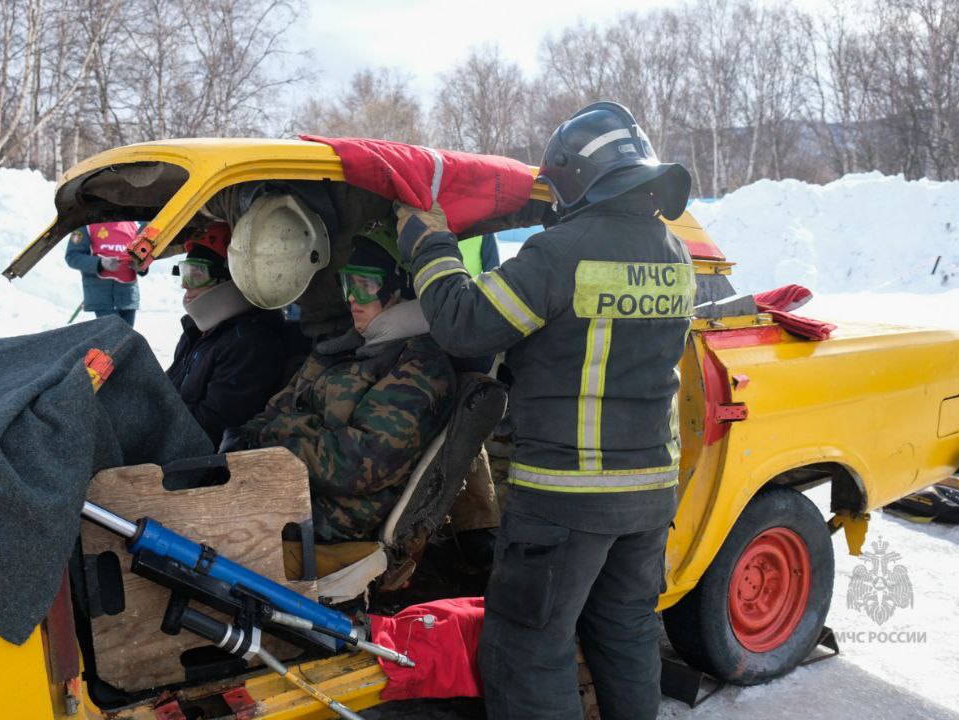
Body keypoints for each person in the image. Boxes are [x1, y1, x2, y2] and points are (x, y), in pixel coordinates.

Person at [395, 100, 694, 720]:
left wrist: (431, 245)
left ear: (576, 178)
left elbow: (464, 323)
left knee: (530, 645)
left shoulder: (559, 253)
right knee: (627, 631)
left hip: (568, 497)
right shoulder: (674, 253)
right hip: (650, 494)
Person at [223, 235, 456, 543]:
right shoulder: (340, 349)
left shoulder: (421, 368)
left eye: (366, 285)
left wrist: (270, 451)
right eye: (349, 284)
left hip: (331, 518)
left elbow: (362, 461)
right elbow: (278, 409)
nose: (352, 298)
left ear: (400, 290)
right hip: (286, 488)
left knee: (205, 524)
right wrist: (246, 441)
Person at [165, 223, 287, 448]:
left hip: (196, 460)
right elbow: (168, 390)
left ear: (230, 278)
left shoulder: (250, 343)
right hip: (170, 442)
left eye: (196, 275)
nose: (184, 284)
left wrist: (153, 425)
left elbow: (213, 427)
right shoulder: (197, 332)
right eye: (185, 272)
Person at [64, 221, 145, 325]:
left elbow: (145, 254)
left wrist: (140, 265)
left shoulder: (135, 225)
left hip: (128, 297)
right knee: (113, 337)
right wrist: (100, 263)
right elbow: (72, 256)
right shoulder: (87, 226)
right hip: (101, 296)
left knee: (126, 338)